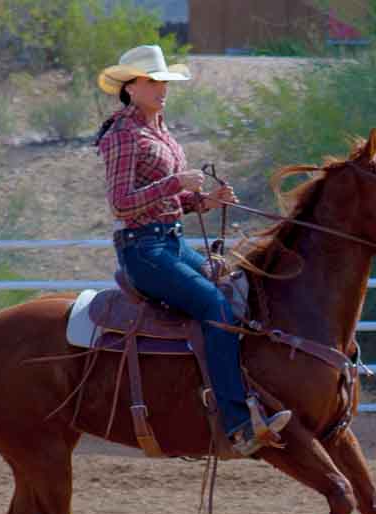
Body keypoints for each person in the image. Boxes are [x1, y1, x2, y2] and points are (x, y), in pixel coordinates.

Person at [94, 44, 291, 456]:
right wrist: (174, 185)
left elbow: (167, 203)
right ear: (130, 88)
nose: (161, 88)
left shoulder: (160, 130)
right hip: (143, 249)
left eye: (164, 81)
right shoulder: (123, 135)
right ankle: (238, 422)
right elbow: (121, 203)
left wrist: (205, 202)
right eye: (152, 82)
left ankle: (248, 397)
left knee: (236, 291)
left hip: (170, 241)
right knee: (216, 309)